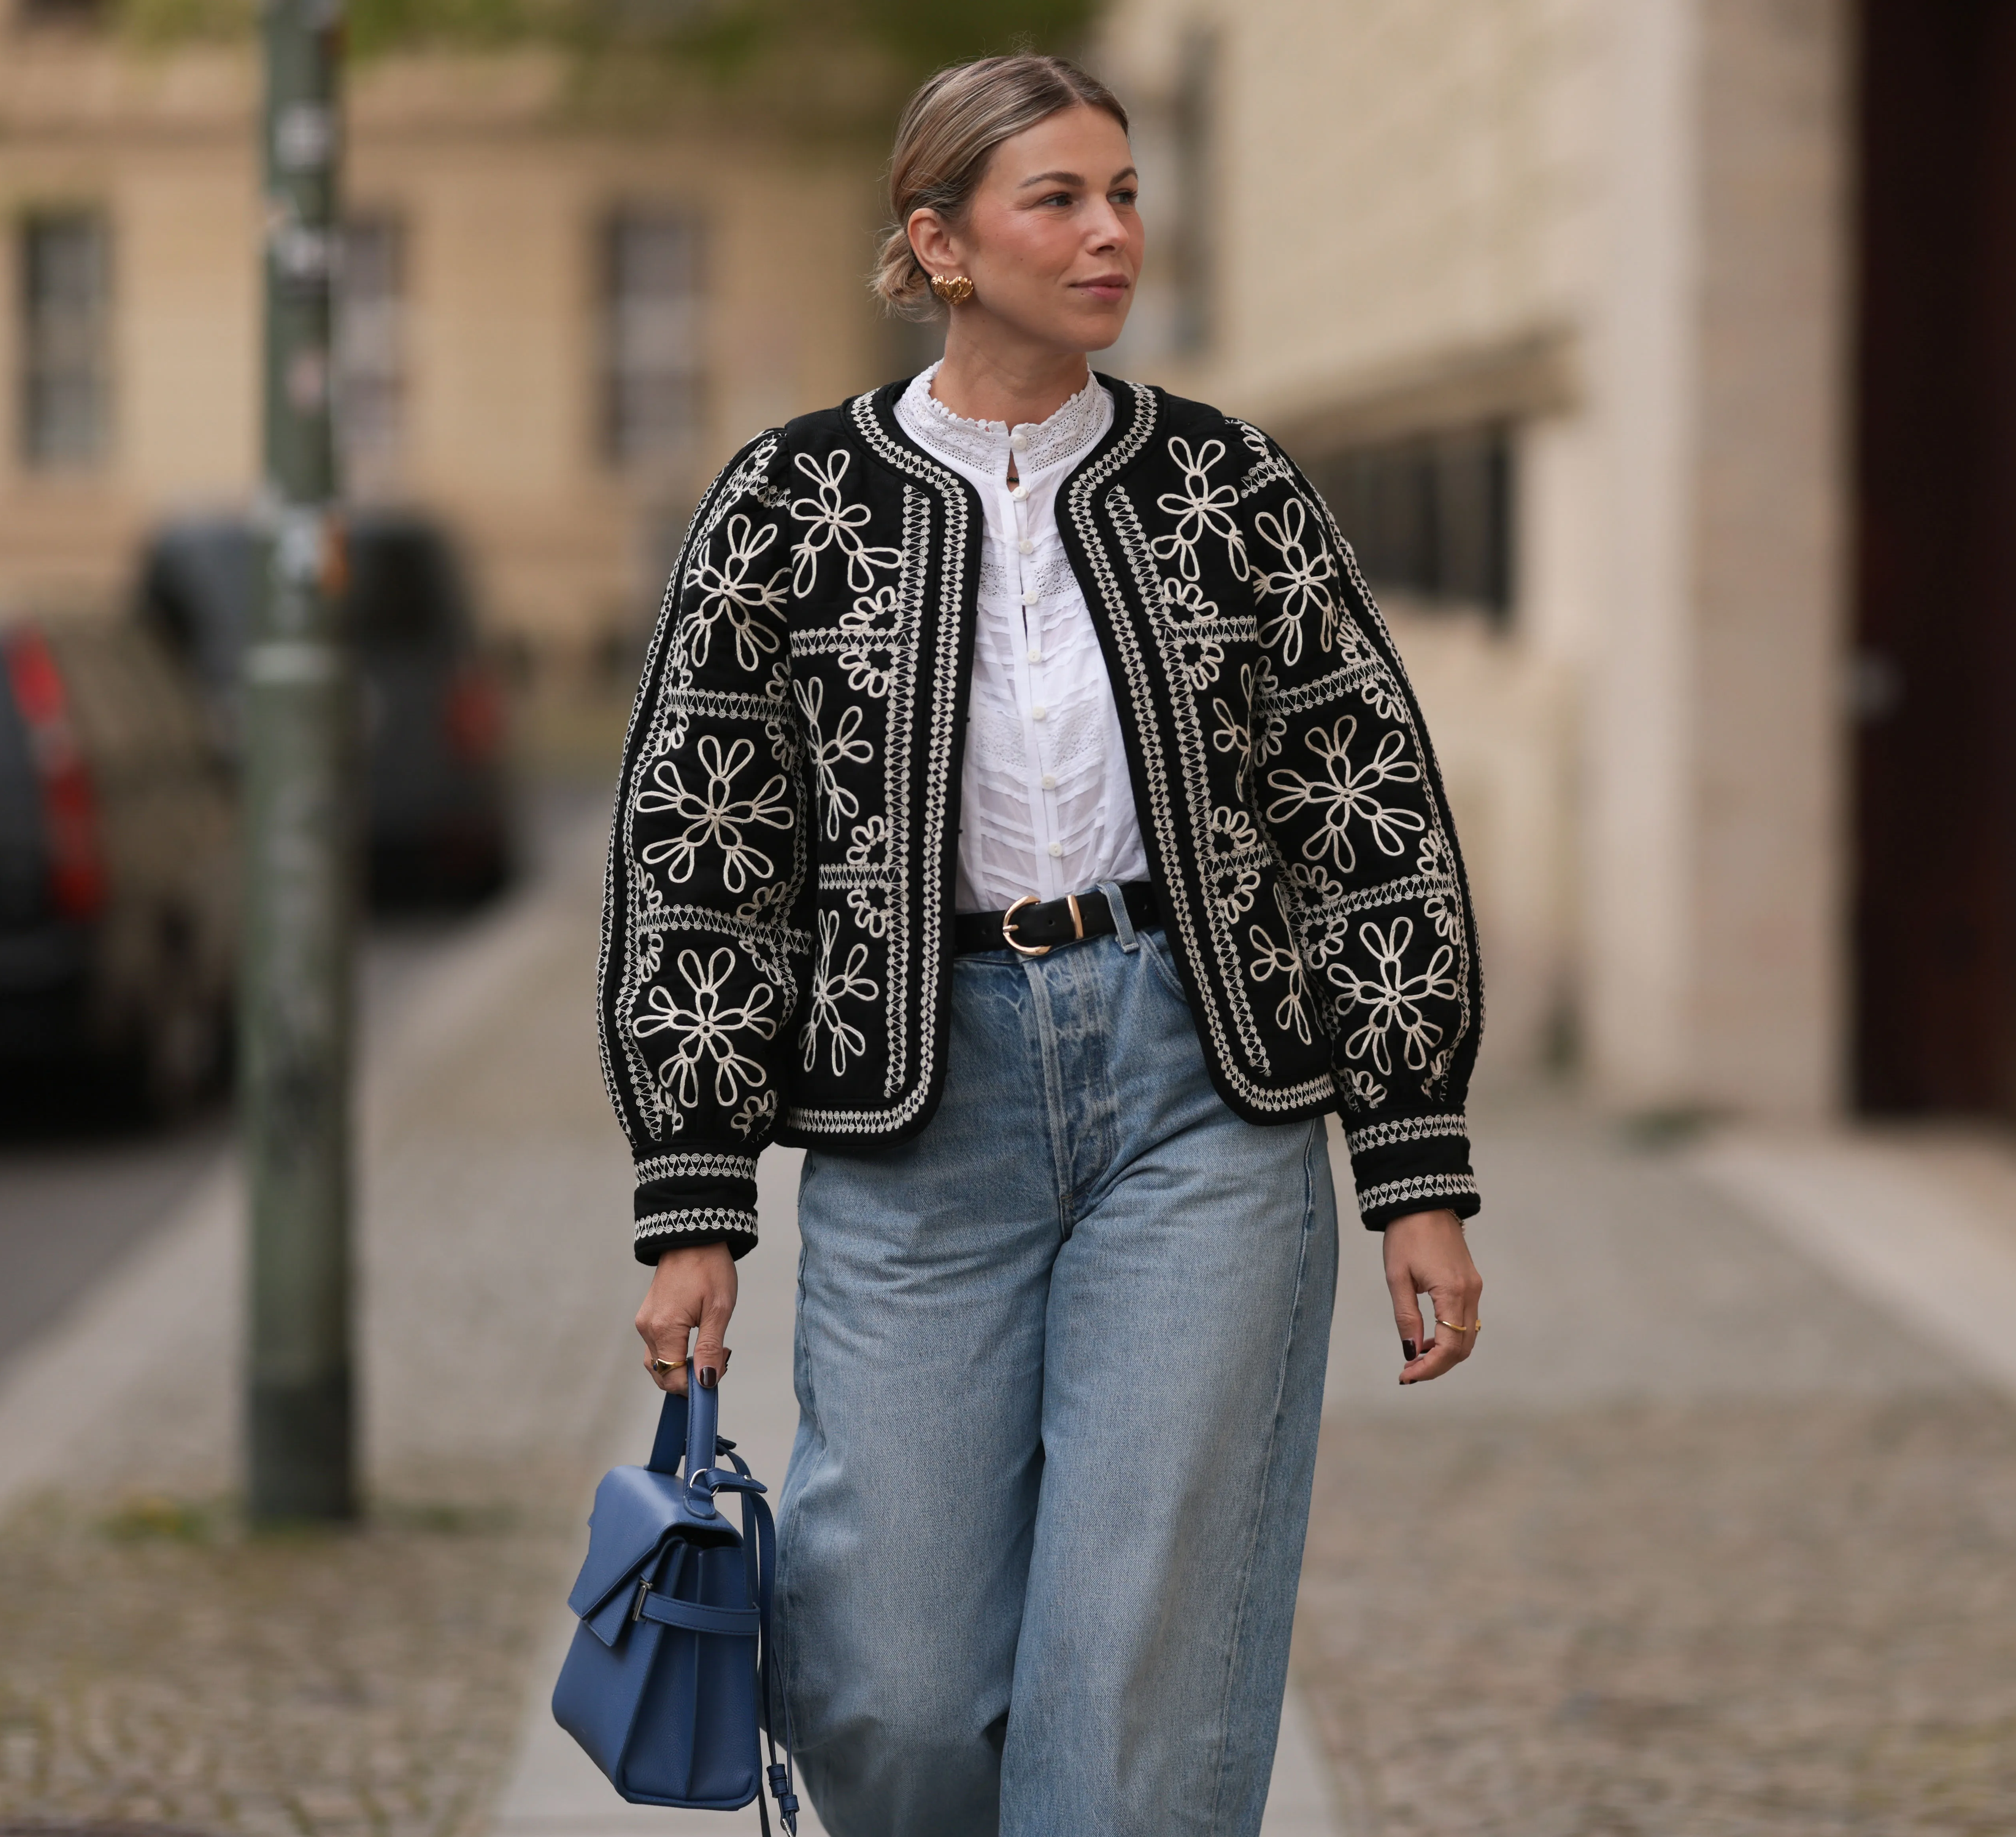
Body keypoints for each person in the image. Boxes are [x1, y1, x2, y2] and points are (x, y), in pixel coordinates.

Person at [600, 52, 1485, 1837]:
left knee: (1139, 1672)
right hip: (920, 1117)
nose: (1110, 236)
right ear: (938, 243)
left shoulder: (1226, 488)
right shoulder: (788, 507)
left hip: (1197, 1097)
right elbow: (707, 850)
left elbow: (1359, 805)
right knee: (890, 1682)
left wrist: (1415, 1162)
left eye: (1127, 194)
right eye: (1057, 199)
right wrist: (694, 1197)